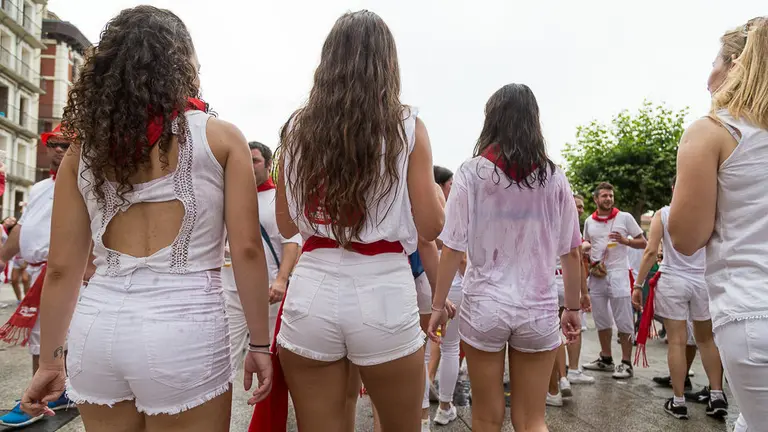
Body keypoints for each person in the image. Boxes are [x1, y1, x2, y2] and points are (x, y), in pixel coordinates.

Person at [17, 6, 272, 431]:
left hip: (98, 331)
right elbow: (246, 250)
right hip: (186, 331)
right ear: (182, 63)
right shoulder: (221, 137)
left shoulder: (83, 150)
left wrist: (49, 361)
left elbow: (62, 269)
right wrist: (260, 344)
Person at [272, 10, 445, 431]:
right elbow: (431, 227)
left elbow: (287, 225)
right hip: (383, 288)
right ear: (388, 63)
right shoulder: (407, 126)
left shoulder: (298, 128)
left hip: (312, 288)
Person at [428, 83, 582, 432]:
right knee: (532, 419)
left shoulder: (471, 172)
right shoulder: (555, 177)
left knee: (486, 416)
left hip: (485, 305)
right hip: (538, 307)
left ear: (492, 120)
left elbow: (452, 247)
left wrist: (438, 304)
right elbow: (571, 251)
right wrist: (572, 307)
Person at [668, 16, 768, 432]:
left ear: (735, 66)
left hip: (752, 312)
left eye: (715, 62)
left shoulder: (713, 131)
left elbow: (686, 237)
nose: (709, 75)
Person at [0, 126, 80, 429]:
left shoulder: (83, 183)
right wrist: (2, 257)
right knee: (46, 338)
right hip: (36, 270)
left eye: (65, 144)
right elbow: (22, 227)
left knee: (49, 338)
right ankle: (56, 393)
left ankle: (41, 398)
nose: (58, 149)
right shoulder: (39, 188)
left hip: (62, 272)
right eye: (53, 143)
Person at [632, 189, 727, 420]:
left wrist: (638, 285)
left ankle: (678, 401)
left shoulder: (663, 214)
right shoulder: (710, 211)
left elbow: (651, 251)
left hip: (673, 280)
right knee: (707, 340)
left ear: (675, 188)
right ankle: (716, 396)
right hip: (702, 281)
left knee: (676, 341)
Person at [222, 141, 300, 369]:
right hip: (231, 288)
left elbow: (291, 242)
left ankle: (267, 393)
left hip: (268, 291)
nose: (249, 165)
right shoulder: (230, 196)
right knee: (226, 354)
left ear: (268, 165)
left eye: (255, 160)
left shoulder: (279, 199)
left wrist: (281, 280)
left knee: (269, 353)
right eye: (245, 160)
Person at [581, 182, 647, 379]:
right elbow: (587, 242)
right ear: (596, 199)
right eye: (604, 196)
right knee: (601, 318)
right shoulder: (589, 222)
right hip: (597, 274)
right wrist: (586, 247)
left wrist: (626, 241)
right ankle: (606, 358)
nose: (608, 199)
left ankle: (626, 363)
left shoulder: (624, 217)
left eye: (611, 195)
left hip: (618, 274)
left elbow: (643, 242)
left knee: (624, 319)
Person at [547, 195, 594, 407]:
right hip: (565, 282)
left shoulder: (542, 217)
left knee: (552, 335)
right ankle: (567, 374)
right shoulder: (568, 223)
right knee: (569, 330)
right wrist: (582, 293)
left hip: (545, 283)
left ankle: (556, 385)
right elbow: (576, 258)